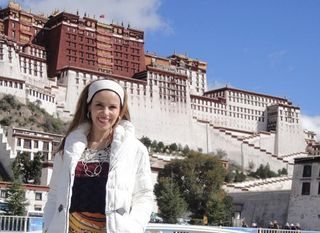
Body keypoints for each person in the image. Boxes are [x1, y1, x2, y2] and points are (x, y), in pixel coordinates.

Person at [43, 79, 154, 233]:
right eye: (99, 105)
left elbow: (144, 196)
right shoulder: (68, 147)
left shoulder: (135, 149)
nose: (105, 113)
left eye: (112, 107)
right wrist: (48, 227)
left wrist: (133, 227)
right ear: (89, 107)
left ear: (120, 111)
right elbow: (54, 194)